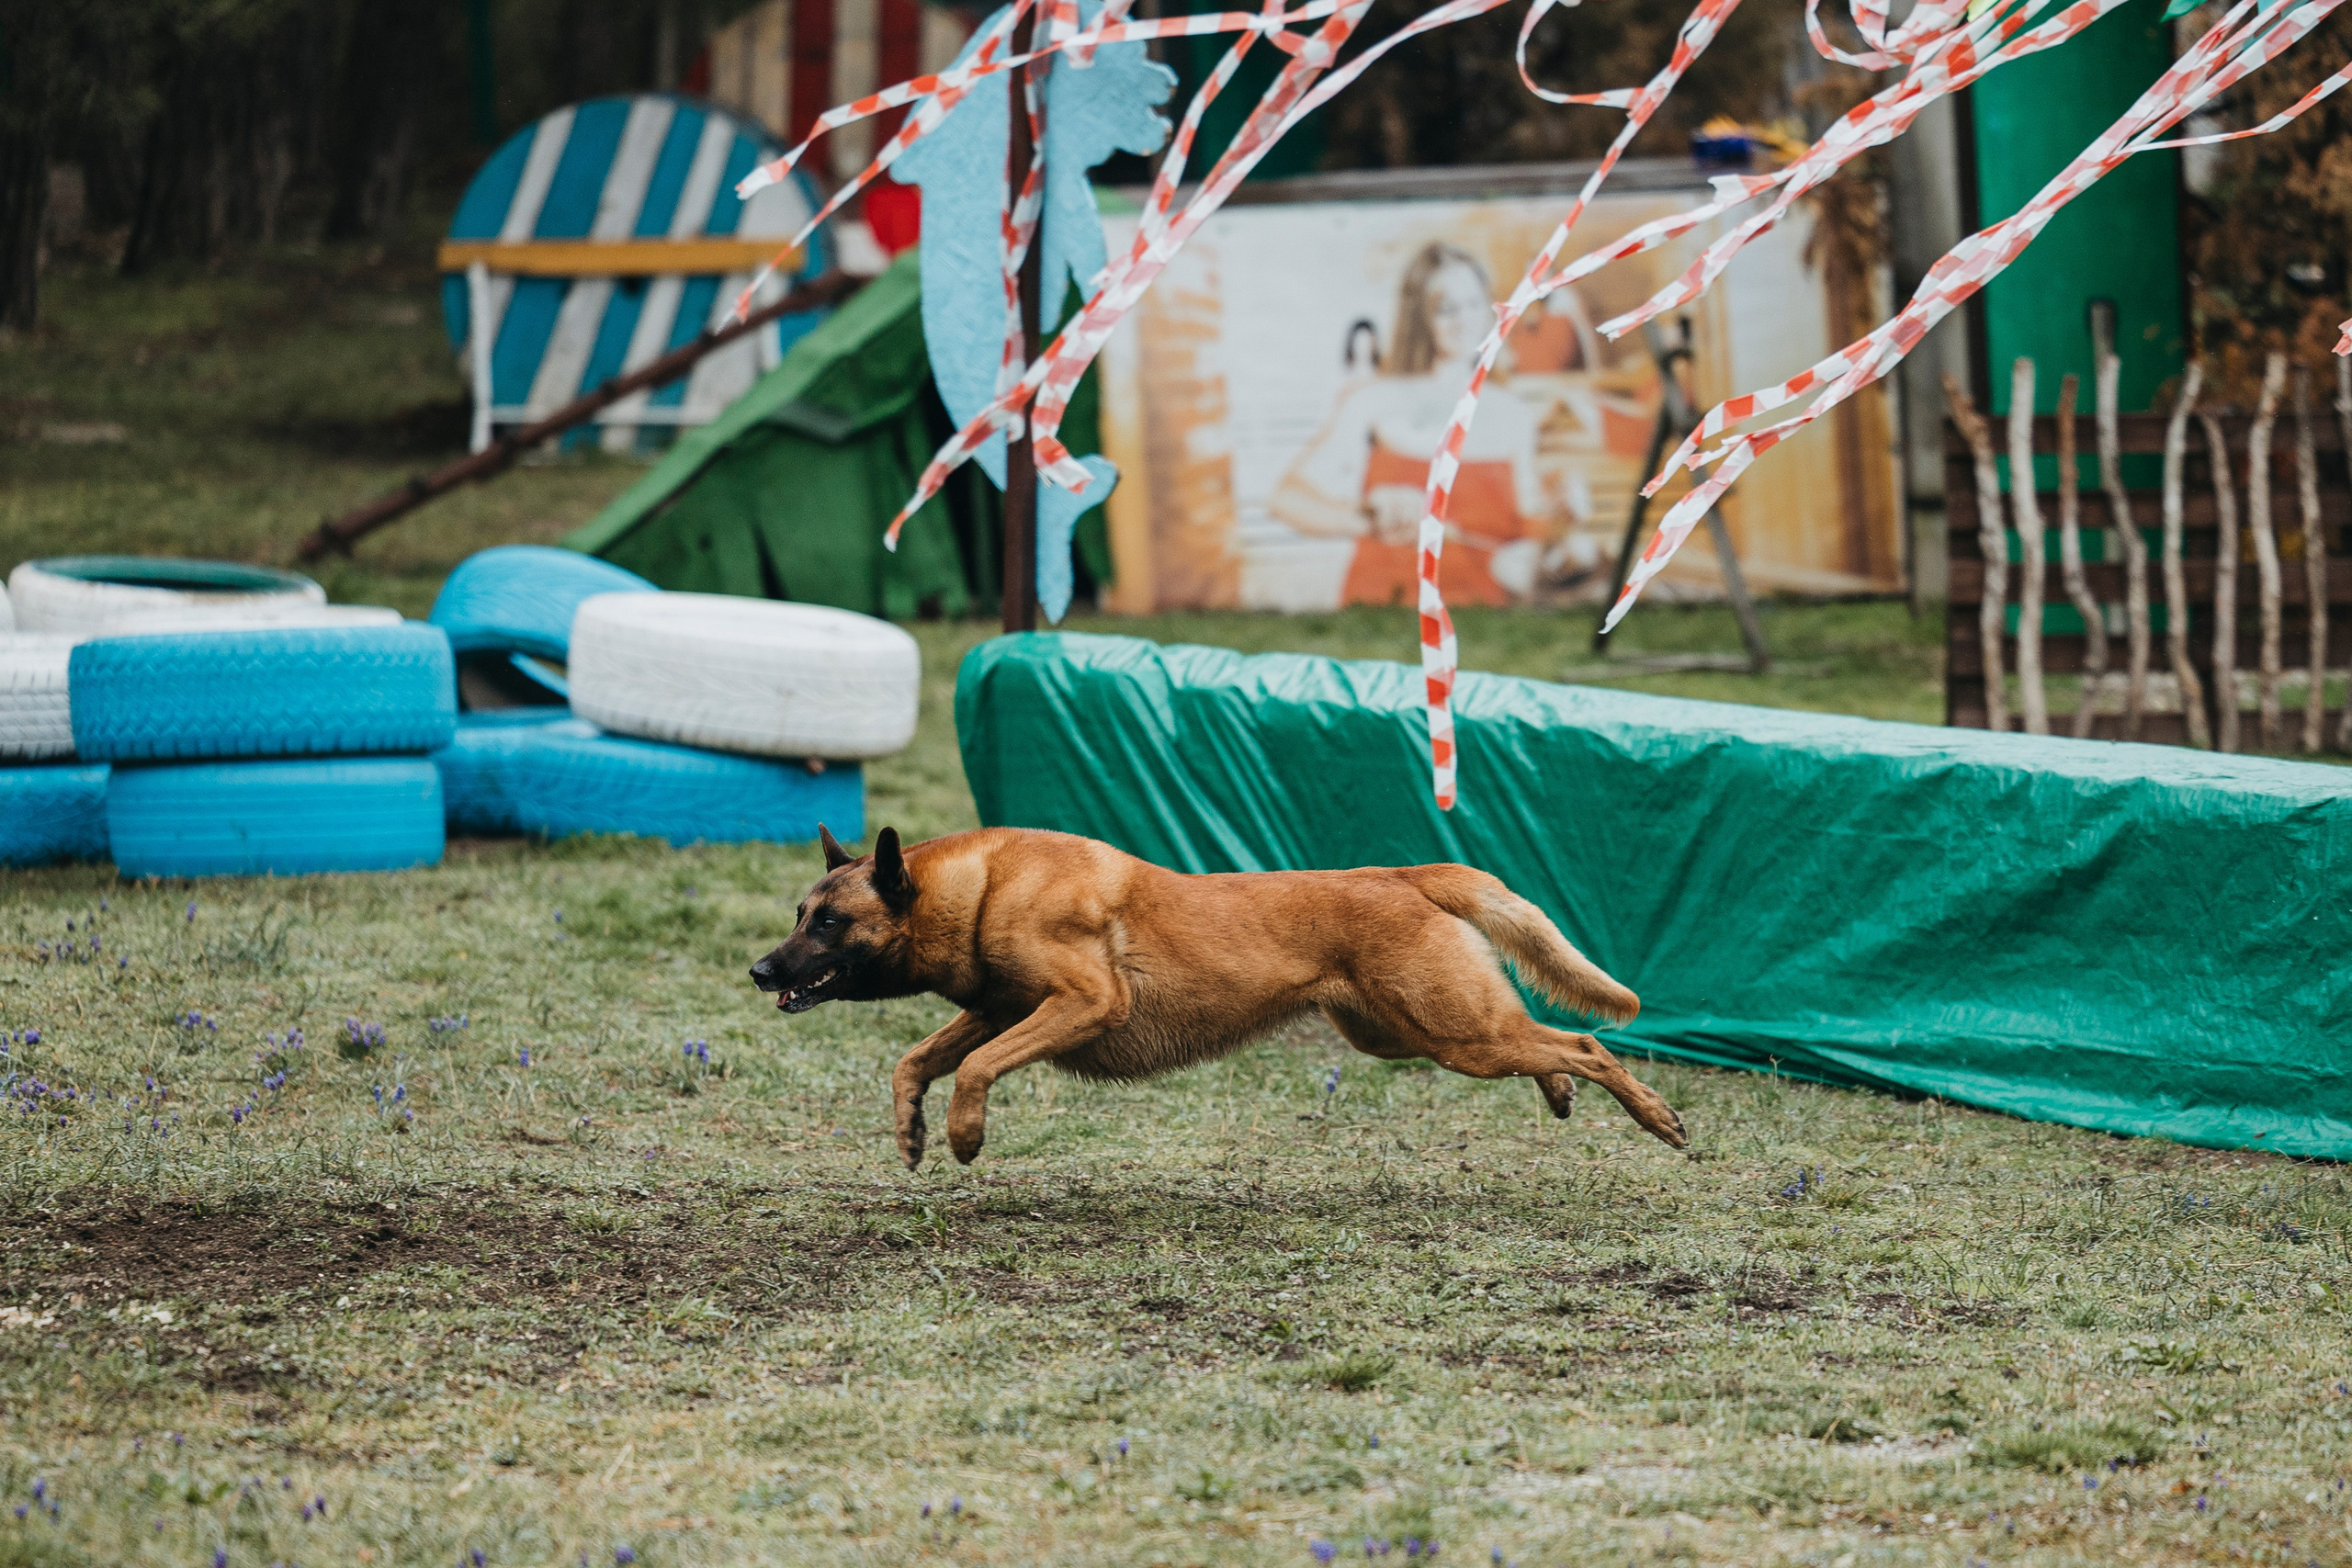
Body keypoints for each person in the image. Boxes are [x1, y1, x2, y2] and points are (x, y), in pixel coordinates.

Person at [1270, 243, 1562, 606]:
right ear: (1419, 317)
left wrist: (1559, 517)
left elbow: (1530, 526)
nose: (1464, 321)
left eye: (1474, 304)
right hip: (1387, 602)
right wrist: (1370, 520)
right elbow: (1286, 499)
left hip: (1484, 606)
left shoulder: (1513, 413)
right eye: (1446, 309)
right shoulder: (1374, 400)